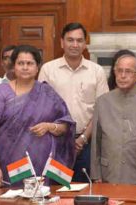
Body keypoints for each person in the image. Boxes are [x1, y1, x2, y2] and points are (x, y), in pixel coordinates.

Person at [0, 45, 76, 187]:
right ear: (13, 66)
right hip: (8, 164)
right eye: (20, 63)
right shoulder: (2, 91)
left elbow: (66, 126)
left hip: (41, 167)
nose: (25, 67)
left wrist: (49, 126)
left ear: (37, 67)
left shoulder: (47, 92)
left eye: (30, 63)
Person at [38, 22, 108, 182]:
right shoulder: (48, 70)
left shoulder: (96, 71)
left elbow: (102, 110)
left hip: (88, 143)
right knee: (56, 190)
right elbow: (42, 108)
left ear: (85, 44)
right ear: (62, 42)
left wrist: (82, 139)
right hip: (56, 143)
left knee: (85, 189)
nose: (75, 44)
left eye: (79, 40)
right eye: (70, 40)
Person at [90, 54, 136, 185]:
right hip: (109, 175)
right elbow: (96, 141)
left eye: (128, 71)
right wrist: (96, 175)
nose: (123, 76)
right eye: (119, 71)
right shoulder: (102, 102)